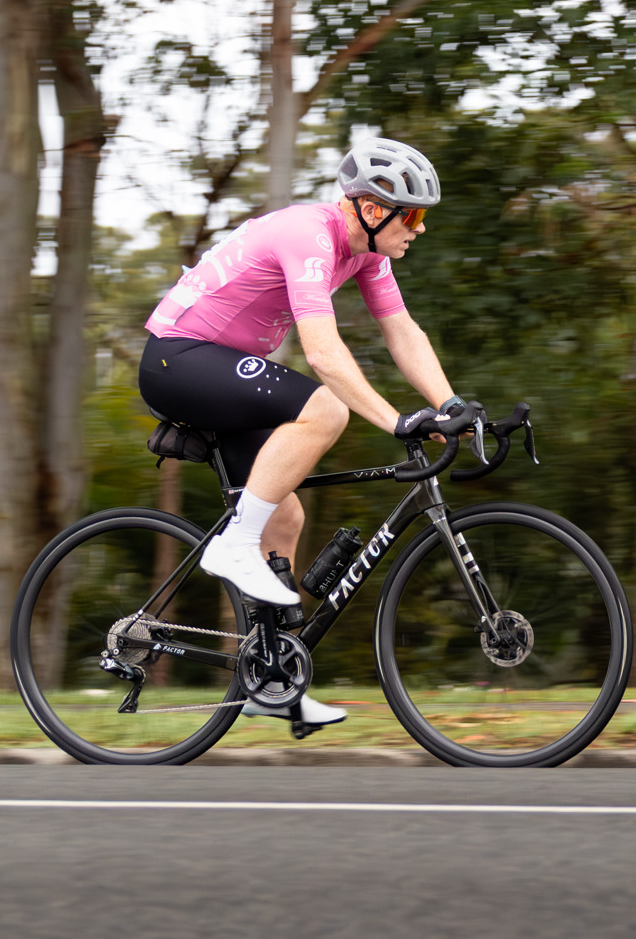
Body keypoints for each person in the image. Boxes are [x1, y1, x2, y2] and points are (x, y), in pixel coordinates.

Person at [138, 137, 464, 728]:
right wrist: (396, 419)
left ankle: (271, 679)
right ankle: (233, 546)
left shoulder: (366, 255)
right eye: (412, 216)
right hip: (178, 358)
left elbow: (402, 331)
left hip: (223, 370)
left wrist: (451, 405)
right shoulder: (308, 234)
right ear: (372, 209)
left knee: (283, 516)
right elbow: (322, 352)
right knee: (327, 410)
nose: (419, 229)